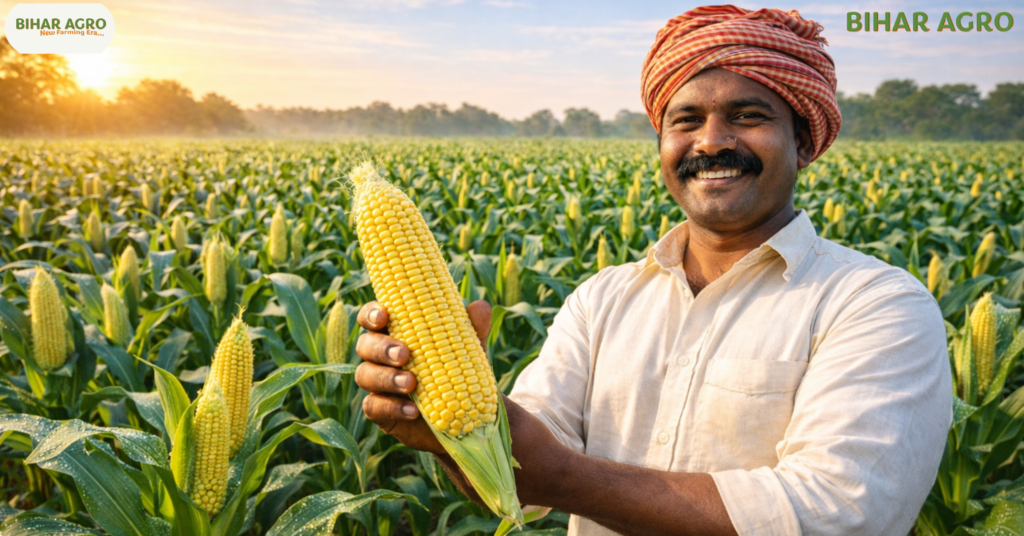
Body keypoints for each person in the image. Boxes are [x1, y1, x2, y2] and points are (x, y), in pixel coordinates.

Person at [353, 5, 952, 535]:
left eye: (747, 116)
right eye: (685, 120)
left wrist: (561, 476)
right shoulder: (602, 299)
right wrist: (450, 424)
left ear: (803, 142)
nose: (711, 141)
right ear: (662, 144)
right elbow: (520, 484)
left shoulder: (876, 304)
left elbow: (838, 513)